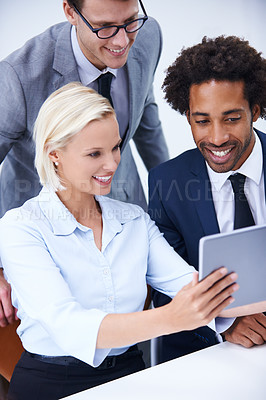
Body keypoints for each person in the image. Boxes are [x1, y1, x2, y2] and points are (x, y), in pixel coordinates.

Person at [0, 82, 240, 400]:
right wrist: (171, 317)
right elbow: (69, 326)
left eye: (115, 147)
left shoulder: (133, 220)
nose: (113, 164)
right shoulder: (21, 228)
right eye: (94, 153)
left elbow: (187, 284)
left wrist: (235, 308)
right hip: (52, 384)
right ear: (54, 155)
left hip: (129, 374)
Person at [0, 0, 169, 327]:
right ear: (70, 12)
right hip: (45, 241)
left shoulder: (148, 37)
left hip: (125, 214)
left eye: (130, 21)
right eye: (105, 27)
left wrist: (176, 205)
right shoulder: (18, 76)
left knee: (134, 344)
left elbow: (146, 120)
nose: (122, 42)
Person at [148, 35, 266, 364]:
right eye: (202, 121)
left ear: (254, 111)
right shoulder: (166, 182)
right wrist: (224, 322)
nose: (216, 138)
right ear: (187, 116)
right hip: (211, 355)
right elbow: (163, 286)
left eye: (231, 118)